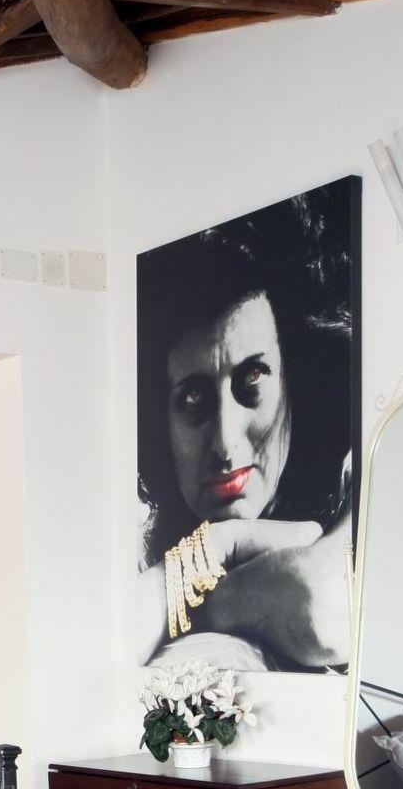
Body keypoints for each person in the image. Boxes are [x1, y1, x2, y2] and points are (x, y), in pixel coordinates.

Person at [135, 187, 358, 672]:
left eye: (252, 379)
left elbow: (319, 612)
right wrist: (218, 548)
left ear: (296, 381)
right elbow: (97, 645)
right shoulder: (139, 539)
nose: (225, 441)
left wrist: (198, 587)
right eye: (192, 400)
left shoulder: (356, 477)